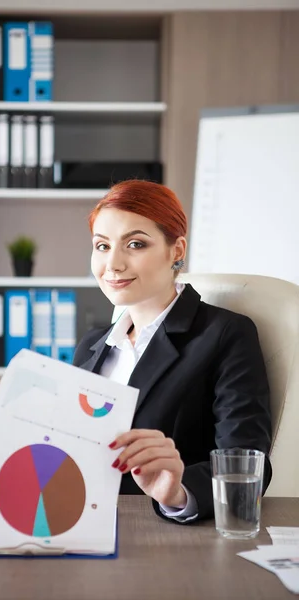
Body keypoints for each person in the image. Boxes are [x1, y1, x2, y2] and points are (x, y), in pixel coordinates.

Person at [72, 179, 272, 523]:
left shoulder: (224, 334)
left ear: (176, 251)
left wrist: (178, 494)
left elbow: (246, 463)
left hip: (164, 539)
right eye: (102, 246)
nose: (113, 264)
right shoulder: (92, 344)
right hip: (81, 526)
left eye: (135, 244)